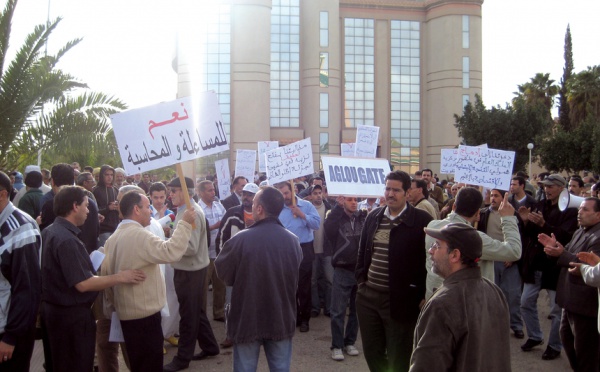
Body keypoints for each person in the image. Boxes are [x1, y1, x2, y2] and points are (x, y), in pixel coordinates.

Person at [40, 186, 145, 371]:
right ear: (75, 206)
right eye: (86, 206)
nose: (88, 211)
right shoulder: (66, 240)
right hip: (70, 318)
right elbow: (83, 284)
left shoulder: (51, 231)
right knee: (76, 363)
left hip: (55, 315)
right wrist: (120, 277)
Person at [102, 189, 196, 372]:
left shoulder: (113, 238)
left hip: (127, 314)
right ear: (136, 209)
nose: (151, 211)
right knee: (150, 365)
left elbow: (107, 276)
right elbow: (171, 252)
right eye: (147, 207)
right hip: (144, 317)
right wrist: (184, 224)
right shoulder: (139, 235)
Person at [215, 186, 303, 372]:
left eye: (254, 202)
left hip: (248, 318)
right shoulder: (293, 240)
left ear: (260, 208)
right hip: (280, 317)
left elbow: (224, 275)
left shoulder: (240, 239)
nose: (252, 206)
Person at [355, 170, 433, 371]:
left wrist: (424, 292)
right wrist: (361, 282)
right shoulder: (374, 217)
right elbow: (363, 251)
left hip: (401, 301)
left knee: (399, 355)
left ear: (407, 193)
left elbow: (429, 260)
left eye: (396, 190)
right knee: (372, 352)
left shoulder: (421, 221)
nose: (390, 193)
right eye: (388, 188)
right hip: (369, 298)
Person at [410, 223, 511, 372]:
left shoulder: (442, 304)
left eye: (437, 245)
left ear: (455, 255)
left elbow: (426, 366)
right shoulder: (494, 291)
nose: (431, 250)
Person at [518, 174, 578, 360]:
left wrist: (545, 224)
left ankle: (554, 345)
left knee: (556, 310)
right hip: (536, 263)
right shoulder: (539, 205)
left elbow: (566, 236)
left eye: (551, 186)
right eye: (545, 186)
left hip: (555, 267)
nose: (547, 189)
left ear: (561, 188)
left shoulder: (570, 210)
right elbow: (530, 234)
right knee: (526, 302)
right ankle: (535, 336)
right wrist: (526, 221)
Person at [163, 177, 219, 372]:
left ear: (187, 192)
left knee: (188, 316)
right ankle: (210, 346)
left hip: (190, 271)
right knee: (196, 312)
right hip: (191, 269)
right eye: (171, 190)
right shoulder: (186, 211)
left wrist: (170, 240)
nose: (171, 194)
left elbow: (191, 247)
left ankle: (182, 359)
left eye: (175, 190)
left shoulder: (189, 213)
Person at [426, 188, 521, 301]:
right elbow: (514, 251)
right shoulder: (474, 238)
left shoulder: (432, 226)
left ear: (454, 206)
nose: (432, 250)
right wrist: (508, 218)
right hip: (463, 303)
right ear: (477, 213)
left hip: (433, 299)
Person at [538, 197, 600, 371]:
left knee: (586, 354)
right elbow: (569, 252)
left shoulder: (598, 236)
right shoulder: (582, 230)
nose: (580, 212)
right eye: (580, 208)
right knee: (567, 342)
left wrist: (561, 254)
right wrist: (555, 248)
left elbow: (590, 267)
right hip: (570, 301)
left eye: (586, 209)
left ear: (598, 215)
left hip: (586, 307)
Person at [0, 171, 41, 371]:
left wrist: (11, 336)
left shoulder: (21, 228)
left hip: (8, 332)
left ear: (2, 194)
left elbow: (28, 288)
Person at [214, 182, 259, 348]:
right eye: (245, 193)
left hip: (255, 269)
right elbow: (221, 238)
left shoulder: (261, 215)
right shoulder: (233, 213)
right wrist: (223, 262)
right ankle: (230, 334)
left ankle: (254, 333)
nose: (246, 197)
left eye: (250, 195)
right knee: (231, 303)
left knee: (254, 301)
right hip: (235, 269)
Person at [477, 188, 524, 339]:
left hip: (509, 261)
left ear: (505, 197)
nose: (493, 198)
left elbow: (519, 237)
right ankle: (495, 326)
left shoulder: (512, 214)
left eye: (496, 196)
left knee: (512, 295)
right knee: (491, 295)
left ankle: (516, 325)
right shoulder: (483, 214)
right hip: (490, 259)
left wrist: (512, 257)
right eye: (491, 195)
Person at [324, 195, 367, 361]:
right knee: (338, 311)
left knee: (356, 312)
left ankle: (350, 342)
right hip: (342, 269)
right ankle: (336, 345)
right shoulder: (335, 217)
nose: (354, 202)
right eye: (349, 200)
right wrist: (337, 208)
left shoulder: (362, 217)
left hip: (359, 271)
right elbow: (328, 229)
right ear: (343, 202)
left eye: (355, 200)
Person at [275, 181, 320, 333]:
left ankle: (305, 318)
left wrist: (301, 214)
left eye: (286, 193)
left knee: (304, 286)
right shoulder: (277, 209)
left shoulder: (306, 206)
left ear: (293, 190)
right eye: (281, 194)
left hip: (304, 249)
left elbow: (316, 224)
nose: (285, 197)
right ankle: (295, 316)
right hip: (285, 251)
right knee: (289, 285)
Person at [196, 180, 227, 321]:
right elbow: (196, 231)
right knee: (202, 288)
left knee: (220, 286)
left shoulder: (219, 206)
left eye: (213, 189)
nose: (213, 192)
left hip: (219, 253)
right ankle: (201, 316)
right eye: (209, 190)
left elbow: (226, 223)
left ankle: (219, 312)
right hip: (205, 254)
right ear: (201, 193)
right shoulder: (197, 209)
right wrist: (214, 226)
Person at [308, 184, 332, 318]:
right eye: (315, 193)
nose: (318, 195)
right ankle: (315, 307)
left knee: (330, 280)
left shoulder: (330, 208)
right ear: (311, 195)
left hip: (327, 250)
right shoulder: (307, 209)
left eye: (320, 192)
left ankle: (328, 308)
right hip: (312, 250)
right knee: (313, 281)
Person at [93, 165, 120, 246]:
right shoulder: (96, 190)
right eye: (107, 175)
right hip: (103, 229)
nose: (109, 177)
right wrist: (108, 208)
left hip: (116, 228)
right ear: (102, 176)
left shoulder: (115, 189)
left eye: (111, 175)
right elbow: (94, 211)